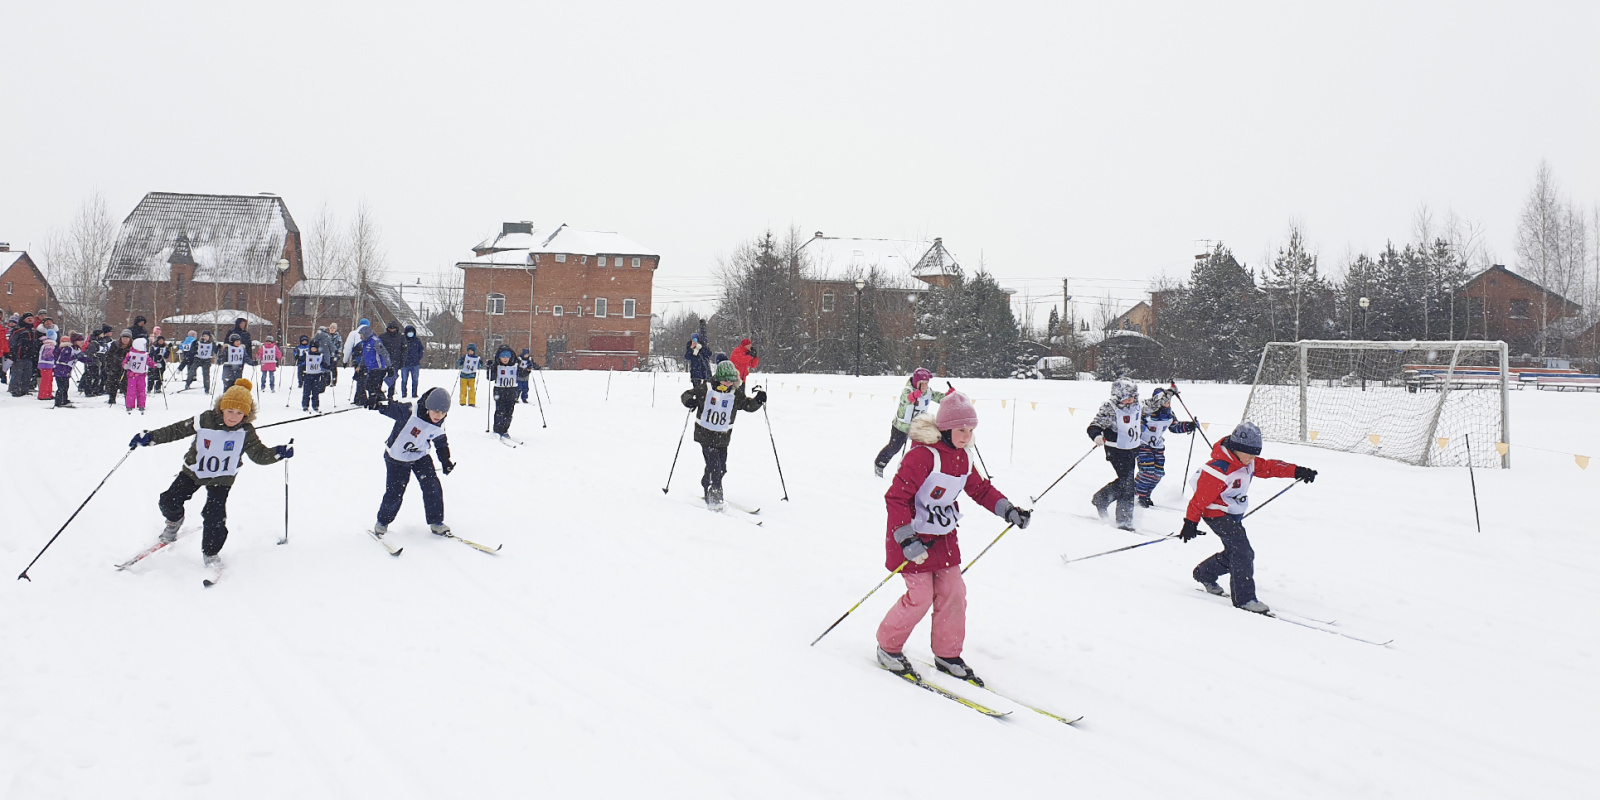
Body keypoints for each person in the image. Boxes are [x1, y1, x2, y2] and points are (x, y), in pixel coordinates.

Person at [874, 391, 1031, 687]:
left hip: (943, 540)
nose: (966, 436)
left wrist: (1008, 510)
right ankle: (888, 647)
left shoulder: (963, 458)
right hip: (911, 540)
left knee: (954, 593)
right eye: (961, 430)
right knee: (920, 598)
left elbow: (980, 490)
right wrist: (907, 540)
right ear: (945, 428)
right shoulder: (921, 456)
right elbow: (896, 498)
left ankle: (948, 655)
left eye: (971, 430)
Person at [128, 378, 292, 573]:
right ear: (221, 408)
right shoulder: (205, 419)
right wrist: (151, 437)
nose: (233, 417)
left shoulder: (246, 431)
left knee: (214, 515)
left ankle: (211, 553)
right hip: (194, 471)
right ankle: (174, 521)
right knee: (168, 500)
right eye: (230, 411)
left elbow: (259, 455)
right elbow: (177, 430)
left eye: (240, 413)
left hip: (222, 477)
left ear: (246, 414)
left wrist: (278, 452)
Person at [1179, 421, 1317, 614]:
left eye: (1255, 454)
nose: (1252, 458)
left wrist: (1297, 471)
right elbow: (1199, 500)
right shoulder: (1218, 469)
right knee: (1242, 552)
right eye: (1249, 453)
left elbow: (1270, 467)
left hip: (1233, 513)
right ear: (1236, 448)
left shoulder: (1248, 462)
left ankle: (1204, 573)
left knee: (1236, 552)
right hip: (1216, 513)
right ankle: (1244, 599)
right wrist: (1190, 522)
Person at [371, 386, 456, 539]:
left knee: (432, 486)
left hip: (420, 456)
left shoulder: (439, 423)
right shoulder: (411, 411)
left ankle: (436, 521)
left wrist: (445, 460)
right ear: (428, 407)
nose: (439, 415)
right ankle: (382, 522)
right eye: (436, 411)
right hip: (397, 457)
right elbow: (391, 408)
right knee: (395, 492)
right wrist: (378, 403)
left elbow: (441, 441)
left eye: (443, 412)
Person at [679, 360, 766, 509]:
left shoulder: (735, 393)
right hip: (705, 434)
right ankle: (715, 497)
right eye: (725, 380)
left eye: (731, 381)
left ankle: (707, 482)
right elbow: (686, 395)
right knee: (715, 467)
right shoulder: (706, 388)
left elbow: (747, 405)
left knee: (722, 467)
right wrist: (690, 401)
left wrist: (758, 400)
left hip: (723, 437)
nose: (728, 383)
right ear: (718, 378)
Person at [1086, 378, 1143, 531]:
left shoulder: (1136, 406)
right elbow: (1094, 425)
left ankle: (1102, 498)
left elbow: (1152, 404)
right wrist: (1097, 435)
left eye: (1133, 396)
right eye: (1127, 397)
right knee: (1127, 484)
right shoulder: (1109, 408)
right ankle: (1124, 522)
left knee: (1127, 481)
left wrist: (1168, 394)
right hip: (1116, 450)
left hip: (1131, 449)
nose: (1130, 399)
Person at [1133, 387, 1199, 507]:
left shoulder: (1169, 414)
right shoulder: (1147, 412)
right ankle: (1137, 495)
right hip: (1143, 444)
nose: (1166, 404)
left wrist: (1189, 426)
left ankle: (1146, 495)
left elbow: (1174, 427)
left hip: (1158, 446)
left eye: (1168, 402)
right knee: (1147, 471)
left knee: (1158, 473)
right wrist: (1139, 427)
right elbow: (1135, 424)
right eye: (1164, 401)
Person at [874, 368, 946, 477]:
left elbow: (936, 396)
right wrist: (912, 397)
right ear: (916, 382)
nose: (925, 386)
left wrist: (949, 397)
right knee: (894, 447)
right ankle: (880, 463)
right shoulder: (908, 390)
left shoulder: (927, 391)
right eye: (922, 383)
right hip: (901, 426)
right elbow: (905, 399)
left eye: (927, 383)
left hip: (918, 426)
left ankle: (916, 470)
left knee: (921, 448)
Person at [488, 345, 520, 437]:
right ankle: (497, 429)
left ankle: (505, 429)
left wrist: (528, 368)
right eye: (503, 357)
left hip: (512, 391)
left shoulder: (515, 364)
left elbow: (522, 374)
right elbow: (490, 378)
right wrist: (490, 368)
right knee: (500, 411)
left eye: (507, 357)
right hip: (499, 391)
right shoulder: (496, 365)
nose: (505, 359)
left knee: (509, 412)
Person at [358, 325, 391, 408]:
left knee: (372, 385)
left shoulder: (375, 341)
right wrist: (360, 366)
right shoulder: (365, 343)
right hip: (370, 368)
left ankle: (376, 401)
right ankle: (375, 400)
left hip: (379, 368)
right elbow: (364, 356)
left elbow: (385, 354)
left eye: (361, 335)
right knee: (369, 385)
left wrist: (389, 366)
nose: (360, 337)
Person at [6, 312, 38, 396]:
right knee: (17, 374)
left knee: (27, 374)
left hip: (30, 356)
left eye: (31, 318)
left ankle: (24, 389)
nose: (30, 319)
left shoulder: (33, 330)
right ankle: (15, 389)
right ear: (24, 319)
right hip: (19, 355)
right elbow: (12, 341)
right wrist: (13, 353)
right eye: (28, 318)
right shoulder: (18, 329)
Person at [122, 337, 154, 414]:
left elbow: (150, 362)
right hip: (132, 375)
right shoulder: (130, 354)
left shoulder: (145, 355)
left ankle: (141, 405)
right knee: (131, 391)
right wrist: (125, 365)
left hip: (141, 376)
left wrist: (155, 365)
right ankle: (130, 405)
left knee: (141, 391)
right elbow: (125, 362)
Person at [104, 329, 133, 407]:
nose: (125, 340)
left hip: (127, 369)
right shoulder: (115, 345)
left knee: (126, 385)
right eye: (123, 338)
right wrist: (110, 364)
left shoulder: (132, 347)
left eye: (127, 338)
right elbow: (109, 355)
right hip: (115, 367)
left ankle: (128, 401)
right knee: (113, 384)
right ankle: (112, 398)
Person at [52, 337, 82, 407]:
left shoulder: (72, 349)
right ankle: (59, 401)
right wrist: (74, 357)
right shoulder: (67, 349)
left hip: (65, 370)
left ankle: (64, 399)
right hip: (61, 369)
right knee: (61, 386)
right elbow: (63, 359)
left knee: (65, 385)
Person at [300, 339, 329, 412]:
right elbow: (301, 360)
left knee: (315, 392)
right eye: (312, 348)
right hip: (308, 375)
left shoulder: (320, 355)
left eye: (315, 348)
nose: (313, 349)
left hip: (316, 375)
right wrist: (298, 358)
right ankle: (305, 405)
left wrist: (328, 366)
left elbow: (323, 363)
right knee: (306, 392)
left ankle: (315, 405)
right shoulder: (307, 354)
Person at [379, 321, 404, 401]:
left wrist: (402, 361)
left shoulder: (400, 337)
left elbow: (404, 350)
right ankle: (379, 393)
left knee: (392, 379)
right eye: (390, 328)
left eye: (393, 328)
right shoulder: (383, 337)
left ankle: (390, 396)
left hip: (395, 361)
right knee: (380, 378)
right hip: (383, 361)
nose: (392, 330)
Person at [399, 325, 424, 398]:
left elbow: (421, 350)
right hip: (405, 364)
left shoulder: (417, 341)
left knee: (415, 380)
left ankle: (414, 394)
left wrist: (418, 358)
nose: (410, 333)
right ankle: (403, 394)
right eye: (409, 332)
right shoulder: (402, 340)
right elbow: (399, 350)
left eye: (412, 332)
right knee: (404, 380)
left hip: (415, 364)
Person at [36, 334, 57, 402]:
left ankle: (48, 393)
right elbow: (47, 355)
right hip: (46, 364)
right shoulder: (49, 345)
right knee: (46, 380)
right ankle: (43, 394)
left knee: (48, 379)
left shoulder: (46, 344)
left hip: (46, 364)